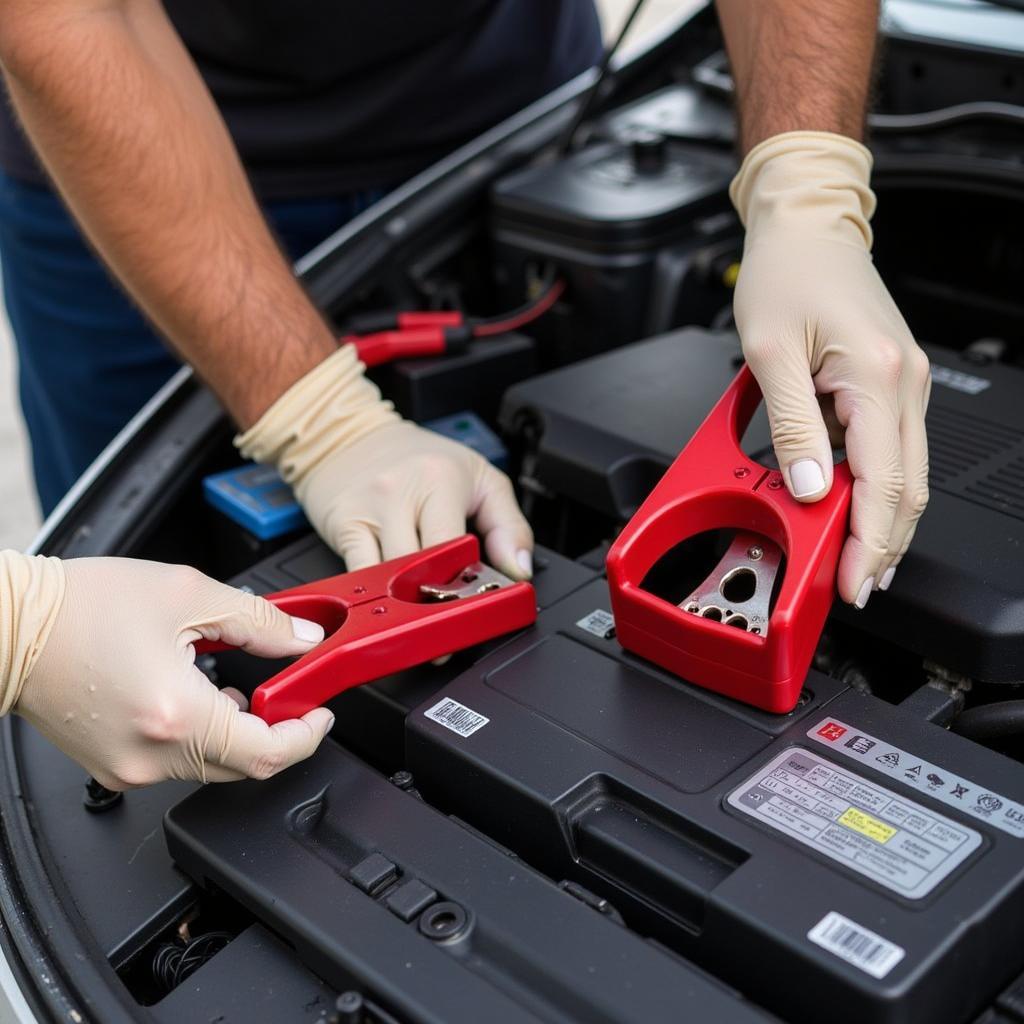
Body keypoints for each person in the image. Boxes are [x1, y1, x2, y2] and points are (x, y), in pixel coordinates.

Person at [0, 0, 930, 788]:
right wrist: (318, 423)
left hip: (496, 115)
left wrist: (808, 191)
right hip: (128, 133)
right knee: (126, 670)